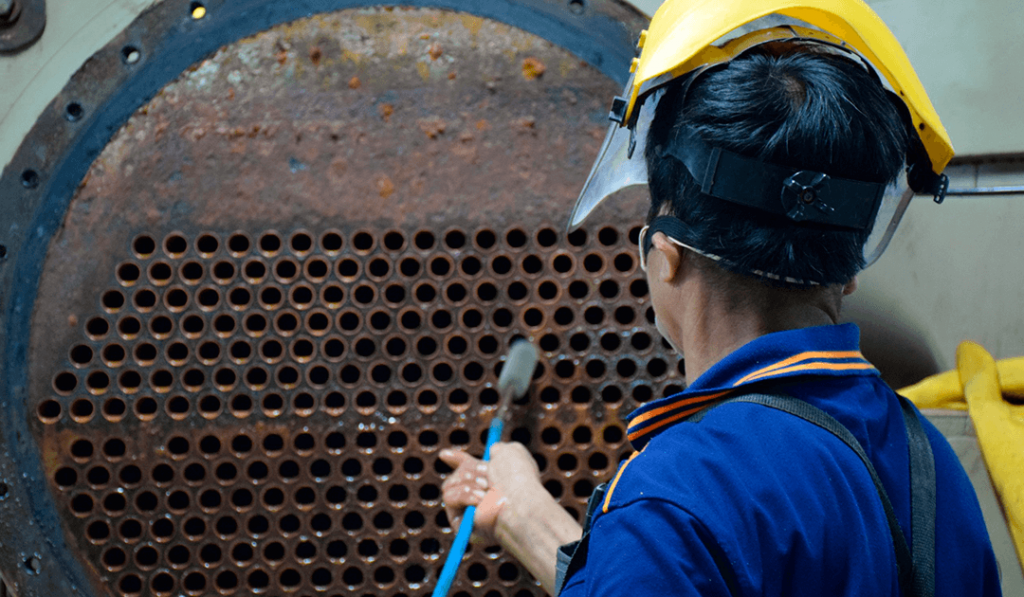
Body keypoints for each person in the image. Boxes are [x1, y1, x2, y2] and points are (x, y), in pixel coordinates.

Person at [440, 0, 1001, 595]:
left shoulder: (674, 495)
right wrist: (523, 513)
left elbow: (679, 554)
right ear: (847, 273)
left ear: (664, 256)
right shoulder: (929, 466)